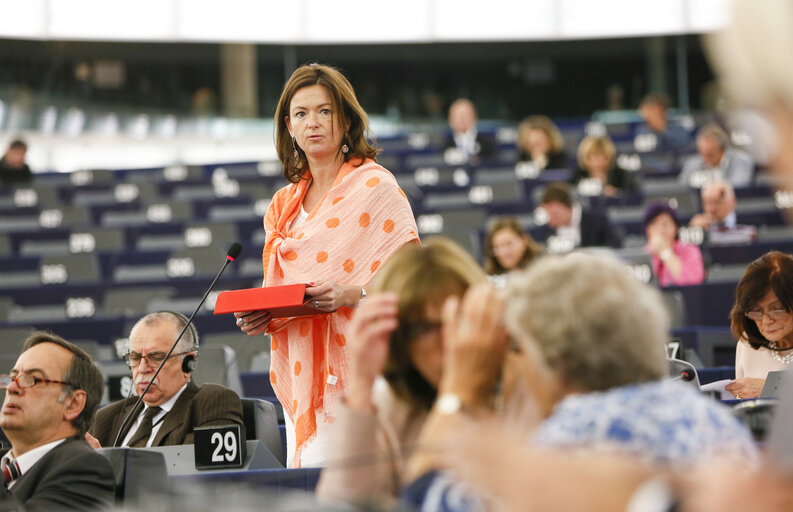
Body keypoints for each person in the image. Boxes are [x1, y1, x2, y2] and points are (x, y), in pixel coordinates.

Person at [403, 252, 757, 511]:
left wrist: (457, 392)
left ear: (555, 364)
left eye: (520, 348)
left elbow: (422, 498)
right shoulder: (716, 422)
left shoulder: (571, 443)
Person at [233, 63, 419, 467]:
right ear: (289, 126)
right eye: (301, 114)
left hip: (369, 376)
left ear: (346, 120)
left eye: (325, 111)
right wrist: (265, 317)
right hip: (304, 381)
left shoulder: (377, 187)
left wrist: (353, 294)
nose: (313, 123)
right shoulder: (282, 207)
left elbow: (416, 285)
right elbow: (282, 293)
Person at [315, 237, 500, 508]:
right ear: (400, 340)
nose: (446, 342)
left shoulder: (522, 388)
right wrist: (361, 385)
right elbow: (342, 504)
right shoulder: (391, 407)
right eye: (424, 329)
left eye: (458, 320)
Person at [87, 311, 243, 448]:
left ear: (188, 363)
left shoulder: (212, 403)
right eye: (134, 358)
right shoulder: (105, 417)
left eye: (156, 357)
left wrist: (106, 465)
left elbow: (195, 471)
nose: (142, 368)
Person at [0, 331, 114, 510]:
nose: (12, 387)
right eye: (12, 377)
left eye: (33, 379)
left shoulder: (85, 468)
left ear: (73, 404)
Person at [726, 252, 793, 399]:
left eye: (776, 309)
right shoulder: (747, 344)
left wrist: (769, 390)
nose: (766, 321)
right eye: (756, 311)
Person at [537, 182, 622, 251]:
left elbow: (615, 247)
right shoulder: (548, 230)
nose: (551, 221)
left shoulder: (598, 220)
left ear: (567, 206)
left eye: (554, 214)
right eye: (547, 215)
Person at [644, 201, 705, 287]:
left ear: (675, 228)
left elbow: (692, 283)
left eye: (665, 224)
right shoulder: (643, 253)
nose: (661, 230)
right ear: (648, 230)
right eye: (654, 225)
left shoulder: (690, 251)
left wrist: (666, 253)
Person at [678, 123, 754, 188]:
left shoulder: (741, 162)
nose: (704, 159)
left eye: (710, 154)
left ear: (722, 150)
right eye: (702, 153)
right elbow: (683, 191)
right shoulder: (692, 163)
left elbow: (738, 188)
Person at [689, 180, 756, 246]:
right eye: (707, 203)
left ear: (733, 201)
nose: (711, 209)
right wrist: (694, 233)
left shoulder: (750, 222)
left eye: (717, 202)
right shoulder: (700, 227)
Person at [571, 134, 637, 196]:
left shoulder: (621, 176)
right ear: (585, 157)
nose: (598, 161)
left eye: (601, 155)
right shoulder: (578, 176)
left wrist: (617, 193)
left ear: (609, 156)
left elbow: (634, 195)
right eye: (593, 156)